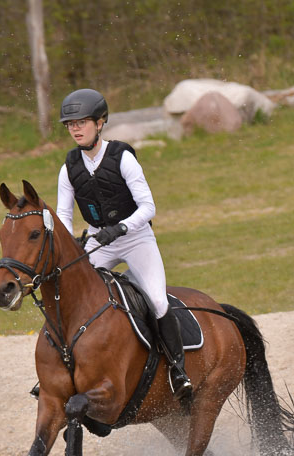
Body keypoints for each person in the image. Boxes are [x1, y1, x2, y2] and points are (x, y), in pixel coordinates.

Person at [57, 88, 192, 402]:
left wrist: (119, 228)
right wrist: (72, 243)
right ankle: (64, 370)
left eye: (82, 122)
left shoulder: (122, 158)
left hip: (135, 239)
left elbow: (148, 208)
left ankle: (178, 371)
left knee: (158, 301)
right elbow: (63, 212)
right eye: (70, 124)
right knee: (70, 297)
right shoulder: (69, 167)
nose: (75, 129)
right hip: (97, 241)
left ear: (100, 122)